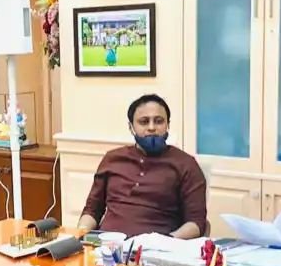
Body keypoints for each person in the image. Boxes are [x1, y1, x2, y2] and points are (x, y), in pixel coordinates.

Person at [78, 94, 207, 239]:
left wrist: (165, 241)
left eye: (159, 121)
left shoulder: (185, 164)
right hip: (107, 244)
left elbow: (196, 223)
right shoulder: (112, 159)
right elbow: (92, 211)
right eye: (144, 122)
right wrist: (80, 235)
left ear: (168, 125)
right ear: (131, 127)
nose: (152, 128)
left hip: (157, 248)